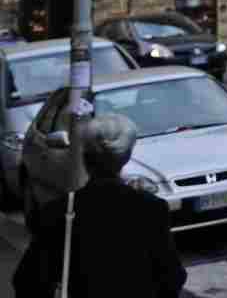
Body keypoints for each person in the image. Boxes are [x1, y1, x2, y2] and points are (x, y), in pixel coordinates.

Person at [13, 113, 187, 298]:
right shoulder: (151, 208)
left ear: (85, 157)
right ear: (126, 157)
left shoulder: (60, 212)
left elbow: (28, 281)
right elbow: (172, 276)